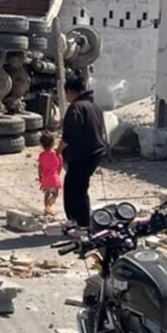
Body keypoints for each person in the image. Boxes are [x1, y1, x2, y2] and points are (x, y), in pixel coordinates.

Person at [58, 75, 107, 228]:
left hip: (82, 155)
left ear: (71, 91)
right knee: (75, 186)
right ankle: (76, 221)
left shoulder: (76, 107)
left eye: (66, 93)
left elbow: (69, 135)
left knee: (77, 189)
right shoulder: (94, 106)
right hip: (94, 153)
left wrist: (58, 150)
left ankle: (82, 224)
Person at [37, 132, 63, 216]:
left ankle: (46, 208)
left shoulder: (41, 155)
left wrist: (40, 176)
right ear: (53, 143)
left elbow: (40, 167)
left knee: (47, 194)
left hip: (45, 178)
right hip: (54, 178)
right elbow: (60, 166)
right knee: (55, 194)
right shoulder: (56, 154)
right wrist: (58, 175)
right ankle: (48, 206)